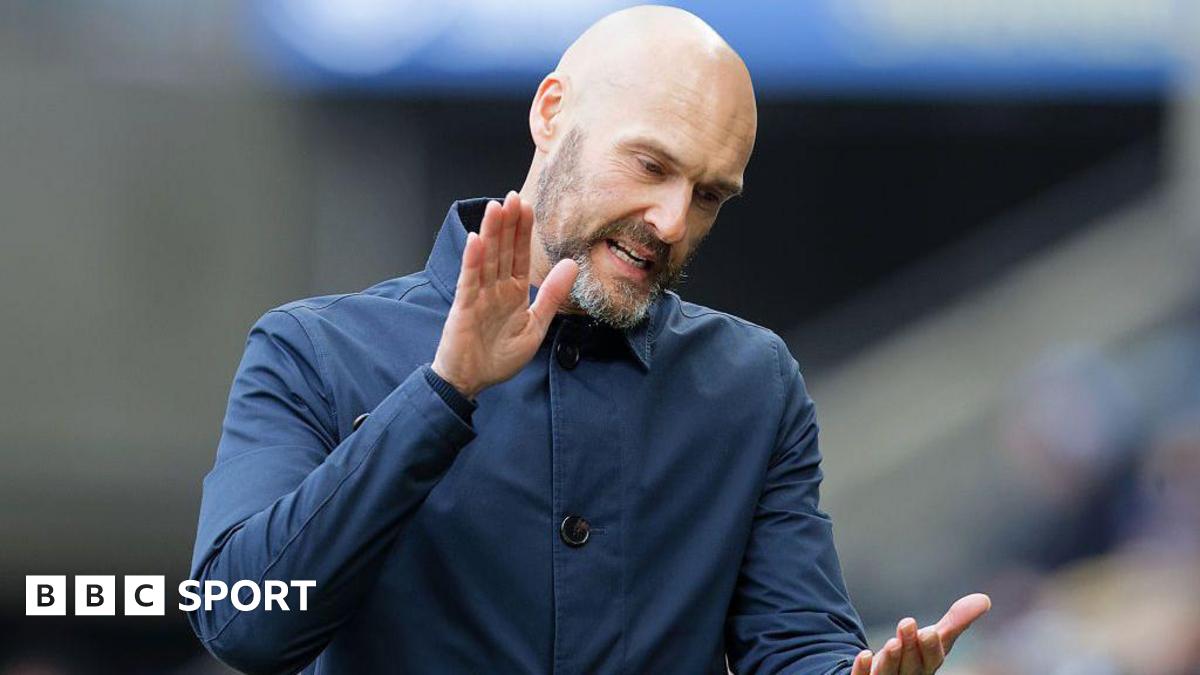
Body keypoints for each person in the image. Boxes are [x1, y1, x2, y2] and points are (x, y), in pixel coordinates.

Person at [188, 6, 989, 674]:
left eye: (709, 196)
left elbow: (796, 643)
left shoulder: (753, 382)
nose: (671, 221)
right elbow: (241, 620)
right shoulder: (314, 349)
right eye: (651, 165)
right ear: (551, 112)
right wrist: (441, 394)